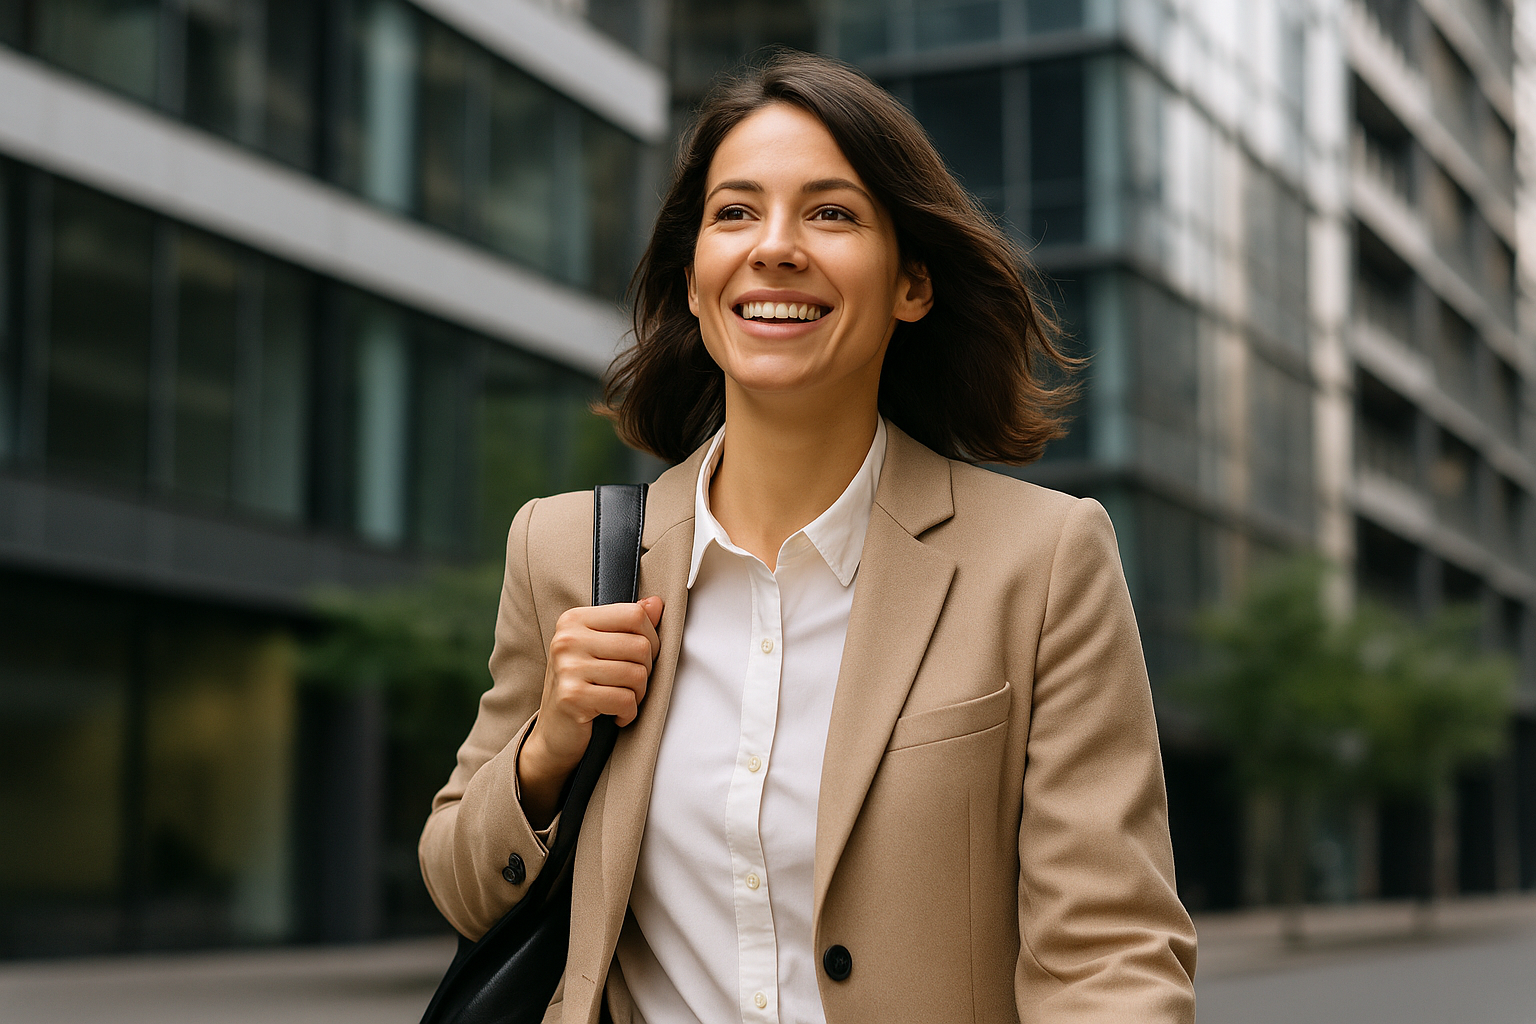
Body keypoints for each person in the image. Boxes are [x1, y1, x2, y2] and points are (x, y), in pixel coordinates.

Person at [419, 50, 1196, 1024]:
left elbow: (1110, 956)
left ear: (913, 284)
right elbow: (459, 882)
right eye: (735, 213)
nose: (774, 247)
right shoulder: (565, 552)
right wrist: (548, 750)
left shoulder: (1042, 561)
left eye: (830, 213)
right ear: (696, 284)